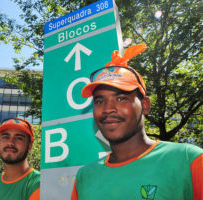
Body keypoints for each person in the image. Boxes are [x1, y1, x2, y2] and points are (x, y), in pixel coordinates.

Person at [71, 44, 203, 200]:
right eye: (99, 101)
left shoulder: (189, 160)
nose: (108, 109)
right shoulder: (84, 177)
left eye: (121, 98)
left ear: (145, 105)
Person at [0, 117, 40, 200]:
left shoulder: (39, 184)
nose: (10, 142)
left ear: (30, 146)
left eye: (19, 138)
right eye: (5, 137)